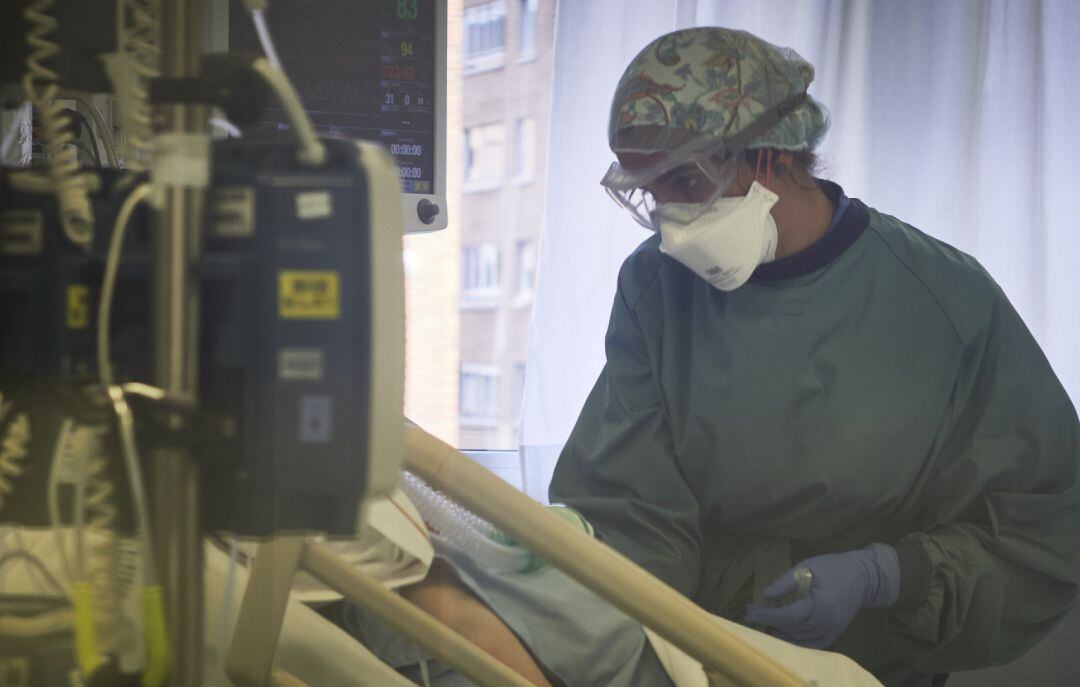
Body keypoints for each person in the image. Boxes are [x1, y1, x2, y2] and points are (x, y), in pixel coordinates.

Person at [548, 26, 1080, 687]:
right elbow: (629, 509)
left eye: (685, 179)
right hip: (696, 650)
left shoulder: (943, 303)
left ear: (771, 155)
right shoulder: (657, 288)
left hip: (868, 661)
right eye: (648, 192)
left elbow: (1044, 531)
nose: (669, 219)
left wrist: (887, 574)